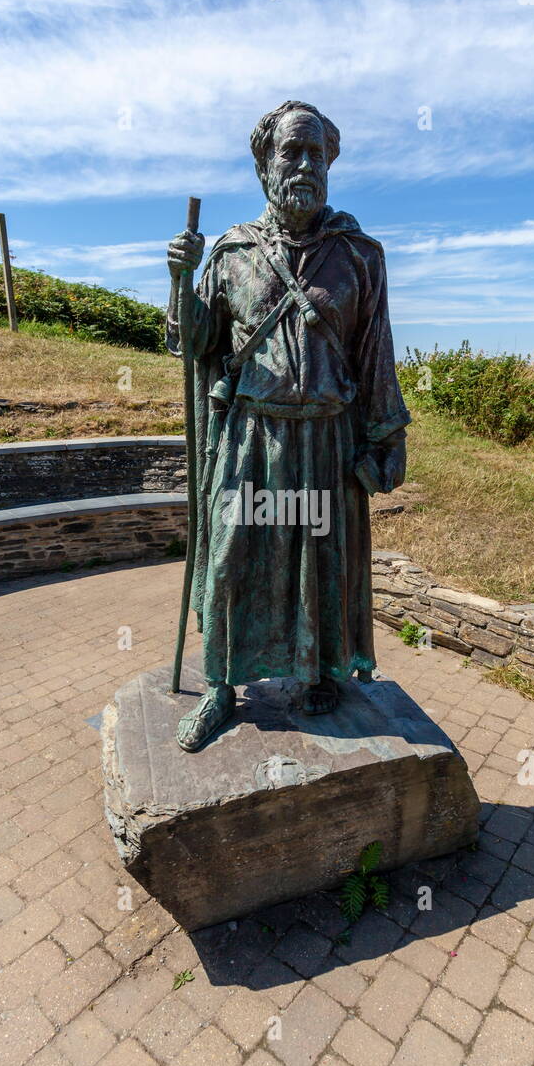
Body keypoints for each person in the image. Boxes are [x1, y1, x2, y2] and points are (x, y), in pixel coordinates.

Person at [166, 100, 410, 751]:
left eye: (316, 153)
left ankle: (314, 674)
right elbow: (195, 343)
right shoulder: (232, 252)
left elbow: (375, 352)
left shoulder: (359, 255)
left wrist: (387, 435)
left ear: (330, 162)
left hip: (327, 442)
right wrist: (179, 282)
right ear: (262, 164)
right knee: (231, 559)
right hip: (251, 441)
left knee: (318, 565)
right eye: (290, 152)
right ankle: (220, 686)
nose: (304, 164)